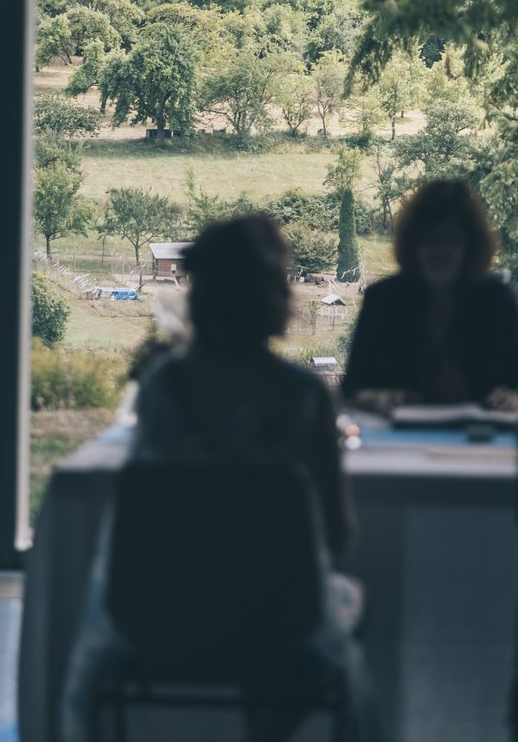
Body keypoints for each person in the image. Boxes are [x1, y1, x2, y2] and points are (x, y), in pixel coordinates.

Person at [63, 213, 379, 742]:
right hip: (275, 624)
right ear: (273, 296)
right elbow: (338, 535)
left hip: (161, 616)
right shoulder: (302, 397)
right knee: (341, 613)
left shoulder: (163, 389)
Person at [342, 177, 518, 412]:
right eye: (430, 239)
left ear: (470, 245)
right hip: (397, 439)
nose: (439, 251)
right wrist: (378, 399)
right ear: (413, 242)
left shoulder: (497, 300)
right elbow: (351, 388)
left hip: (479, 438)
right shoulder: (382, 300)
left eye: (450, 240)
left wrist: (514, 397)